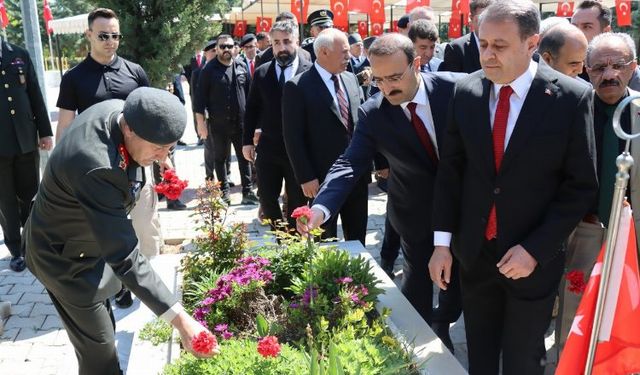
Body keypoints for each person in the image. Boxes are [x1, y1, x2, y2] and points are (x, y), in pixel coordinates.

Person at [428, 1, 598, 373]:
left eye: (499, 46)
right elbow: (451, 174)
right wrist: (442, 245)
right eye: (483, 43)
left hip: (532, 259)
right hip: (475, 255)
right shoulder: (466, 90)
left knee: (523, 360)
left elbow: (580, 187)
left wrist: (534, 250)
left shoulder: (570, 98)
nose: (487, 55)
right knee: (481, 357)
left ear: (531, 43)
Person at [24, 87, 217, 374]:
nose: (164, 156)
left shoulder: (121, 110)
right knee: (99, 351)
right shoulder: (95, 165)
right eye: (157, 147)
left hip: (90, 240)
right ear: (128, 128)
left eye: (170, 148)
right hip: (62, 257)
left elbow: (130, 159)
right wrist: (181, 320)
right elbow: (125, 256)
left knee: (105, 330)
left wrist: (157, 153)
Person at [295, 33, 464, 343]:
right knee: (418, 289)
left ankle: (444, 323)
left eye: (395, 77)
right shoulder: (373, 113)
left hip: (465, 210)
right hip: (414, 212)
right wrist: (321, 207)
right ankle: (421, 341)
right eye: (379, 79)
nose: (387, 87)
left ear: (417, 64)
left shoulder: (458, 89)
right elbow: (349, 163)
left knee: (458, 283)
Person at [55, 7, 167, 308]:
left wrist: (163, 158)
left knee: (143, 223)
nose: (110, 41)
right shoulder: (74, 79)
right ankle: (119, 283)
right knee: (107, 230)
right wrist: (57, 169)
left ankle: (139, 275)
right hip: (97, 172)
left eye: (115, 35)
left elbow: (152, 118)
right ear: (89, 35)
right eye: (103, 35)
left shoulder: (135, 72)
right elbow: (65, 126)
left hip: (136, 166)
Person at [556, 32, 640, 358]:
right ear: (585, 70)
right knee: (574, 306)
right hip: (585, 230)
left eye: (618, 65)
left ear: (633, 67)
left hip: (632, 230)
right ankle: (570, 362)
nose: (609, 75)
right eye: (599, 67)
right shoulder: (571, 112)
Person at [283, 28, 367, 244]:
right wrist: (305, 175)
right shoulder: (298, 86)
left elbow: (359, 124)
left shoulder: (350, 79)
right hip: (321, 178)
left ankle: (357, 278)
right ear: (323, 52)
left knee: (357, 237)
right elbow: (293, 137)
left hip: (355, 174)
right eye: (344, 52)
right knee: (324, 240)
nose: (349, 57)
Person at [242, 21, 311, 230]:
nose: (282, 48)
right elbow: (252, 108)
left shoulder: (310, 71)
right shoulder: (262, 73)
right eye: (276, 43)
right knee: (267, 198)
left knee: (297, 202)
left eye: (287, 42)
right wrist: (246, 142)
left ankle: (295, 241)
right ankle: (281, 237)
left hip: (299, 151)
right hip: (269, 149)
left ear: (296, 41)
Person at [0, 37, 53, 272]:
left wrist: (45, 131)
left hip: (25, 139)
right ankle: (15, 250)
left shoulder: (18, 53)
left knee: (30, 194)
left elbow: (34, 93)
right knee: (5, 200)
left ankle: (34, 242)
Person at [195, 34, 258, 205]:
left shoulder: (241, 65)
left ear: (234, 48)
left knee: (245, 157)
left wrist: (256, 124)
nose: (226, 50)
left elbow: (251, 95)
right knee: (220, 158)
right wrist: (201, 124)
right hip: (218, 123)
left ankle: (247, 192)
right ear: (217, 49)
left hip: (241, 123)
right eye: (222, 47)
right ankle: (224, 194)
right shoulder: (208, 70)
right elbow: (199, 100)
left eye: (229, 46)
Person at [439, 0, 493, 73]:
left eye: (491, 18)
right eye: (481, 19)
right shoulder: (456, 49)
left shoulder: (501, 45)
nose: (486, 24)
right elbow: (451, 82)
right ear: (471, 18)